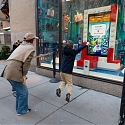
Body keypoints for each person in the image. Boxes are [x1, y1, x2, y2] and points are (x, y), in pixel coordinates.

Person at [1, 33, 38, 116]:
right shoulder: (30, 48)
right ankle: (21, 111)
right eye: (34, 39)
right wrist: (24, 76)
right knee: (23, 92)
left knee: (19, 91)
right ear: (32, 40)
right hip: (15, 71)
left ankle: (19, 108)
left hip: (8, 70)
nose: (35, 41)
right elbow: (26, 64)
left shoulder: (21, 46)